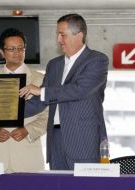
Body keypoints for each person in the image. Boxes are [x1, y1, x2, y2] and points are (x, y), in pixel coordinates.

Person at [19, 13, 109, 170]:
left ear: (79, 35)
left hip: (83, 141)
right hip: (55, 141)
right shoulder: (53, 65)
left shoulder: (97, 60)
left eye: (63, 35)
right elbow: (40, 101)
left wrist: (42, 91)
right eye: (57, 35)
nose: (58, 40)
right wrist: (5, 111)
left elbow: (79, 90)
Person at [0, 28, 48, 173]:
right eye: (12, 49)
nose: (18, 52)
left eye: (21, 48)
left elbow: (47, 116)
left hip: (28, 158)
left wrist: (28, 130)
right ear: (2, 52)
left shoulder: (40, 79)